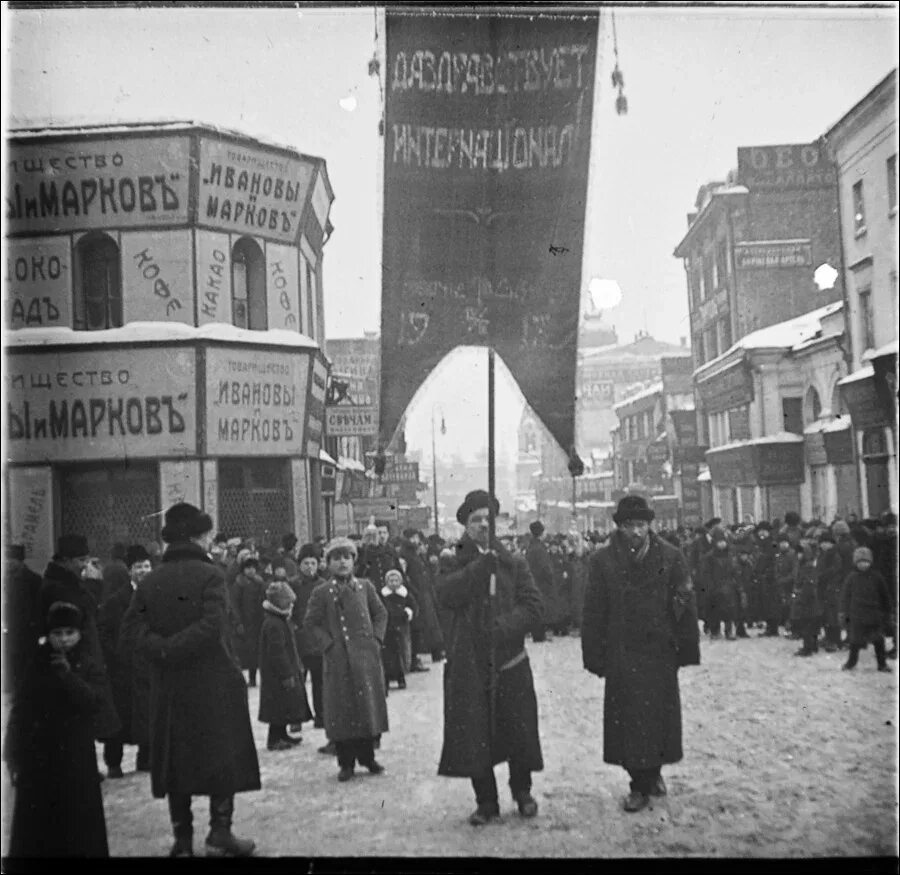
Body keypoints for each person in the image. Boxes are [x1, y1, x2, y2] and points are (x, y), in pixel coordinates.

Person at [121, 503, 260, 857]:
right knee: (221, 754)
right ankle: (220, 833)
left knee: (174, 758)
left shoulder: (150, 580)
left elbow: (131, 631)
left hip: (169, 685)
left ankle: (182, 840)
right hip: (214, 682)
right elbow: (214, 626)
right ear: (199, 536)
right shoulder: (211, 575)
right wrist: (179, 647)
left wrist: (164, 650)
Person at [582, 494, 700, 813]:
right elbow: (593, 611)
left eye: (642, 525)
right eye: (629, 525)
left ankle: (654, 773)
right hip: (623, 653)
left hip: (659, 652)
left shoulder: (671, 556)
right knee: (630, 723)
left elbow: (684, 600)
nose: (636, 532)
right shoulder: (602, 561)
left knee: (657, 720)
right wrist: (594, 653)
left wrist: (684, 643)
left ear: (651, 525)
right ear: (619, 527)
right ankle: (638, 783)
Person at [435, 490, 544, 826]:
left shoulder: (514, 562)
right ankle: (486, 801)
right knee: (475, 734)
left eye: (488, 518)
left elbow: (534, 606)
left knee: (518, 731)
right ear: (465, 526)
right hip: (470, 664)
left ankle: (522, 791)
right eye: (476, 520)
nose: (483, 525)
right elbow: (447, 594)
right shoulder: (452, 560)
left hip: (510, 659)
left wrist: (505, 628)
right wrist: (480, 570)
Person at [4, 601, 111, 858]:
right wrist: (12, 753)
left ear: (79, 633)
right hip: (38, 757)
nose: (63, 640)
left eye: (69, 633)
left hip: (75, 756)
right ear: (48, 635)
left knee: (78, 826)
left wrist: (68, 677)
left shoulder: (88, 663)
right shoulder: (36, 664)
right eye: (57, 633)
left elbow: (94, 702)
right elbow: (21, 710)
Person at [303, 537, 389, 782]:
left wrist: (376, 640)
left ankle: (368, 757)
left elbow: (380, 613)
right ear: (328, 563)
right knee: (343, 710)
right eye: (336, 558)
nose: (342, 563)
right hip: (338, 660)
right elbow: (311, 623)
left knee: (367, 709)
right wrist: (328, 645)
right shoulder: (321, 592)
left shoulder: (365, 587)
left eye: (346, 557)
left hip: (365, 658)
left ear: (354, 561)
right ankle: (346, 762)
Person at [39, 534, 121, 745]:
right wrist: (94, 584)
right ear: (65, 560)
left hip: (84, 660)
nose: (85, 565)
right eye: (81, 560)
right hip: (73, 663)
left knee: (86, 721)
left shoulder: (69, 583)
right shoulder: (57, 587)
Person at [98, 544, 154, 777]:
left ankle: (146, 758)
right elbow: (105, 634)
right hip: (122, 670)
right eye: (139, 567)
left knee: (147, 713)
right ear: (130, 571)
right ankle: (114, 763)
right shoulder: (116, 601)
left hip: (148, 666)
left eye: (147, 566)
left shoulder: (157, 596)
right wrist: (119, 657)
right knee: (119, 718)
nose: (144, 571)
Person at [258, 580, 312, 751]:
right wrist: (287, 673)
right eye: (288, 602)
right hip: (278, 674)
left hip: (279, 673)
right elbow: (277, 652)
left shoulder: (278, 620)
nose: (291, 606)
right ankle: (274, 739)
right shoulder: (275, 623)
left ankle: (281, 734)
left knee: (283, 705)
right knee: (278, 707)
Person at [290, 543, 328, 734]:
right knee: (298, 681)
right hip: (298, 640)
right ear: (300, 565)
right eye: (306, 563)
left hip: (317, 640)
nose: (310, 567)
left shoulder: (323, 585)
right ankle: (296, 718)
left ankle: (321, 716)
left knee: (320, 680)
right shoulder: (293, 584)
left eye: (313, 563)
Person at [840, 547, 892, 672]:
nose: (863, 564)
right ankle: (851, 662)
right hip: (857, 614)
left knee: (878, 640)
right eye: (860, 562)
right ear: (856, 563)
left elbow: (885, 595)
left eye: (866, 562)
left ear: (870, 562)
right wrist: (844, 611)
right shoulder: (852, 577)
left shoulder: (877, 577)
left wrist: (888, 611)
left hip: (874, 614)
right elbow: (845, 596)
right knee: (855, 641)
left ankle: (882, 663)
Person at [2, 544, 42, 695]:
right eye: (6, 559)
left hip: (26, 631)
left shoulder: (33, 580)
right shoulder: (5, 578)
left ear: (21, 561)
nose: (8, 563)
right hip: (9, 628)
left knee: (24, 662)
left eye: (12, 560)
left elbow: (38, 608)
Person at [379, 567, 419, 691]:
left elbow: (413, 606)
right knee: (387, 653)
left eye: (396, 580)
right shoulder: (382, 594)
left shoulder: (405, 594)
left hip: (401, 625)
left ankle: (401, 677)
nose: (394, 583)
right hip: (388, 626)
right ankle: (387, 678)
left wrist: (408, 612)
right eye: (391, 580)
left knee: (402, 650)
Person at [231, 555, 267, 687]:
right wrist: (238, 622)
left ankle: (260, 678)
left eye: (253, 568)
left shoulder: (260, 583)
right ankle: (250, 678)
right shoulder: (239, 584)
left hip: (259, 622)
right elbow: (234, 605)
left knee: (259, 651)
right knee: (248, 653)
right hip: (246, 623)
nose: (251, 571)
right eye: (248, 568)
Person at [525, 520, 554, 643]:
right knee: (541, 609)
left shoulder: (531, 547)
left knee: (536, 607)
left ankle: (537, 633)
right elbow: (545, 567)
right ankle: (539, 635)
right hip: (541, 583)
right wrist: (550, 578)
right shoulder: (540, 548)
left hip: (533, 581)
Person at [791, 542, 821, 657]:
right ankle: (813, 646)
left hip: (807, 600)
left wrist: (801, 597)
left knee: (806, 624)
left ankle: (807, 647)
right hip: (810, 600)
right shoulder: (806, 566)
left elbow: (808, 585)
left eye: (800, 553)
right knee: (811, 624)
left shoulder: (807, 567)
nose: (798, 555)